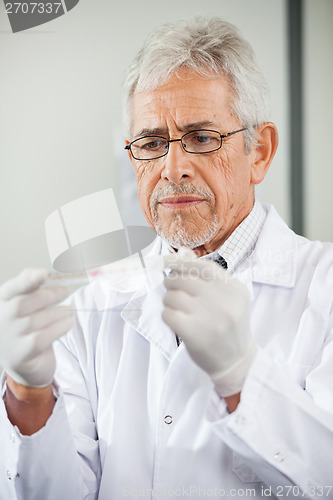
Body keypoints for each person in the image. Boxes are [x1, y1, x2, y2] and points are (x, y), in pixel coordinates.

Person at [0, 16, 333, 500]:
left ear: (259, 151)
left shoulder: (326, 288)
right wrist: (29, 396)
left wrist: (242, 375)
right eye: (152, 143)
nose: (172, 169)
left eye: (202, 138)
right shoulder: (88, 302)